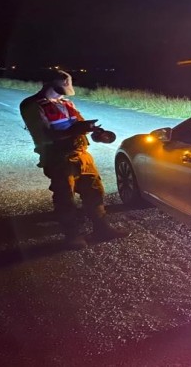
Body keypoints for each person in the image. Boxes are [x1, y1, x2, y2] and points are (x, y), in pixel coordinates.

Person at [20, 69, 127, 250]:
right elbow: (46, 135)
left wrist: (97, 132)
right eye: (63, 85)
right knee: (65, 197)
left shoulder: (66, 103)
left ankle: (102, 228)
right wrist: (78, 129)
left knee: (95, 191)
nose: (65, 91)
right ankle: (72, 235)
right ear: (50, 84)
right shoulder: (32, 105)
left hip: (81, 154)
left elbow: (79, 124)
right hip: (58, 157)